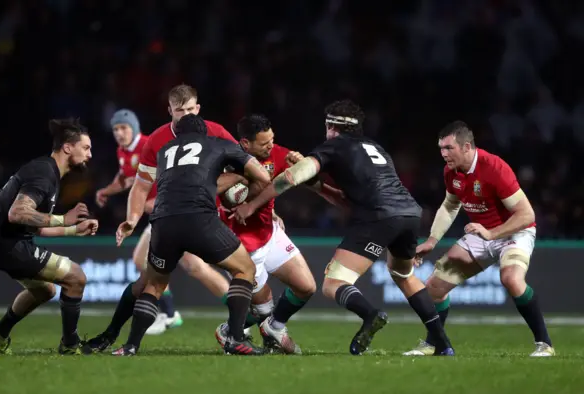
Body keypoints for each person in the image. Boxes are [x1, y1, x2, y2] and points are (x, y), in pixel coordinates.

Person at [232, 100, 454, 356]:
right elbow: (345, 195)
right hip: (410, 213)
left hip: (378, 217)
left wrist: (253, 206)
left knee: (334, 283)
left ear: (331, 126)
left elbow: (290, 178)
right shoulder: (376, 148)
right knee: (404, 276)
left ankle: (370, 315)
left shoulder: (333, 147)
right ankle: (443, 344)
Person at [85, 84, 241, 352]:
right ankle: (158, 322)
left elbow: (245, 166)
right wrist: (132, 218)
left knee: (191, 270)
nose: (187, 115)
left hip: (199, 214)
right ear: (170, 111)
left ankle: (233, 321)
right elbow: (139, 185)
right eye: (181, 111)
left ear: (199, 109)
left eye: (191, 109)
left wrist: (245, 198)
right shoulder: (156, 140)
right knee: (162, 274)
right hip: (167, 216)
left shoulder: (215, 132)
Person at [114, 114, 272, 356]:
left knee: (154, 284)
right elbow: (262, 176)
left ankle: (130, 346)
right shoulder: (216, 143)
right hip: (199, 219)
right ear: (204, 133)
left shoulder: (164, 151)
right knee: (245, 269)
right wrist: (240, 178)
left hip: (163, 222)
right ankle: (236, 338)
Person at [402, 120, 554, 357]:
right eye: (441, 148)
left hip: (514, 231)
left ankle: (544, 344)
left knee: (511, 279)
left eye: (448, 148)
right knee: (435, 286)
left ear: (466, 147)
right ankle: (436, 344)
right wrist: (432, 240)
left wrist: (492, 234)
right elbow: (450, 205)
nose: (443, 154)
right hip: (482, 233)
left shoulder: (494, 167)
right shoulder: (450, 172)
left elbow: (526, 215)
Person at [0, 118, 98, 355]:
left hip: (3, 243)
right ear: (67, 147)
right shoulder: (44, 174)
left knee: (46, 291)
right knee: (76, 277)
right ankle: (70, 343)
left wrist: (75, 230)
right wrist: (65, 219)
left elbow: (39, 227)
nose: (90, 154)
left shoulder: (49, 173)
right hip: (7, 245)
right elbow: (18, 213)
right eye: (86, 148)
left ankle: (0, 332)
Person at [215, 114, 316, 354]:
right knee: (262, 308)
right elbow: (211, 188)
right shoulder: (225, 160)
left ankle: (273, 328)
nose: (271, 145)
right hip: (241, 245)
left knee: (307, 287)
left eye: (272, 139)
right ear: (245, 144)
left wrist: (302, 163)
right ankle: (231, 331)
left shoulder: (278, 154)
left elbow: (308, 174)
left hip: (270, 234)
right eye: (264, 143)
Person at [95, 108, 182, 335]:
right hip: (159, 215)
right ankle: (170, 313)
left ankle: (170, 313)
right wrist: (107, 191)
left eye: (123, 128)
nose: (119, 133)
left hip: (169, 210)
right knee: (143, 261)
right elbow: (125, 178)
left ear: (134, 127)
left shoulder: (147, 144)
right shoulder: (123, 151)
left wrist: (160, 200)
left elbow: (171, 173)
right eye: (115, 129)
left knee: (150, 261)